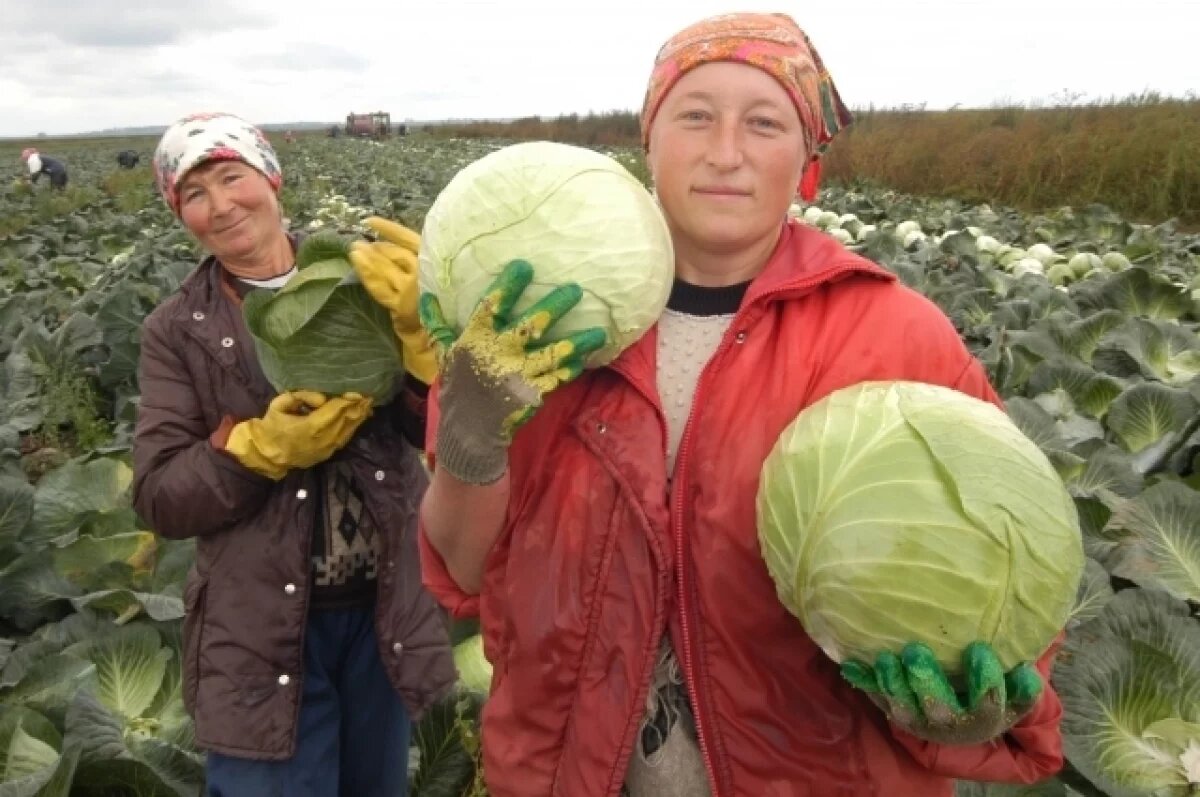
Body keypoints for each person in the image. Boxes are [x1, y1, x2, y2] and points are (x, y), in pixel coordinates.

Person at [412, 12, 1066, 797]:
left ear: (806, 158)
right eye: (695, 116)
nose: (726, 153)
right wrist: (471, 441)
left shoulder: (898, 334)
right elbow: (463, 564)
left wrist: (968, 704)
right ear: (648, 142)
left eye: (763, 122)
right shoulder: (535, 329)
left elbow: (1009, 561)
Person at [132, 111, 455, 797]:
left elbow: (445, 438)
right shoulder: (176, 330)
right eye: (193, 194)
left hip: (384, 619)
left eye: (231, 176)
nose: (220, 205)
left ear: (271, 177)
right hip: (258, 633)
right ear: (178, 213)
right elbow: (159, 495)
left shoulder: (362, 278)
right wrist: (255, 449)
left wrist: (429, 353)